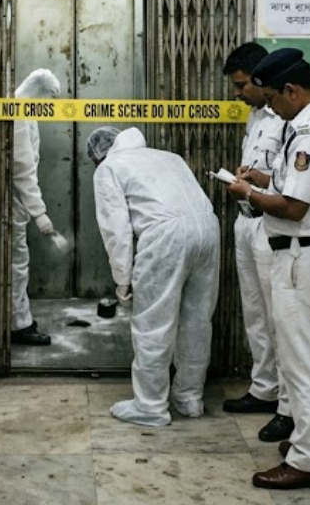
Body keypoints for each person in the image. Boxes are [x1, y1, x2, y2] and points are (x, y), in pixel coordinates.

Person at [226, 48, 310, 491]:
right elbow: (302, 188)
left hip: (304, 258)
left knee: (303, 365)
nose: (271, 110)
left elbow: (294, 207)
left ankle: (305, 460)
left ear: (291, 90)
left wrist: (248, 193)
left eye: (273, 101)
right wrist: (265, 180)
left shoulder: (309, 134)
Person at [87, 126, 219, 428]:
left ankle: (150, 406)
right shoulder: (169, 157)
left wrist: (123, 280)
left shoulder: (109, 168)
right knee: (197, 321)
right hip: (208, 230)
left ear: (99, 155)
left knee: (152, 323)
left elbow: (116, 230)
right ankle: (189, 398)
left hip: (165, 235)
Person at [219, 43, 286, 416]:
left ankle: (288, 403)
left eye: (242, 85)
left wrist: (260, 183)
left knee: (277, 314)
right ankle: (264, 388)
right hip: (245, 221)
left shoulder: (288, 118)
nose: (237, 93)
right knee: (255, 312)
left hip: (269, 225)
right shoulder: (256, 116)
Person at [9, 69, 69, 346]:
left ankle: (19, 319)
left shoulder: (25, 112)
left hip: (19, 204)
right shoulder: (20, 115)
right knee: (16, 266)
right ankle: (18, 325)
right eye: (51, 98)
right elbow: (23, 170)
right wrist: (40, 214)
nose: (52, 105)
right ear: (40, 92)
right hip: (15, 204)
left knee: (18, 264)